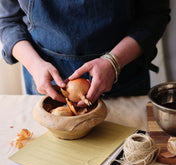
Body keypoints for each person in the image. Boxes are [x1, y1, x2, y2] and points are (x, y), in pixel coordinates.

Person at [0, 0, 170, 106]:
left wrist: (114, 61)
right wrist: (34, 64)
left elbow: (154, 16)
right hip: (45, 86)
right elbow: (7, 21)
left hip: (123, 81)